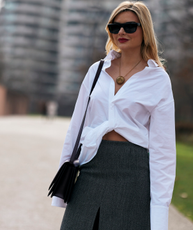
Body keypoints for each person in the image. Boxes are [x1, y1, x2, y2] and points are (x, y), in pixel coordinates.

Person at [52, 1, 176, 230]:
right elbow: (76, 126)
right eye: (114, 26)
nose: (121, 32)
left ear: (144, 29)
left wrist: (159, 215)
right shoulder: (96, 70)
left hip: (133, 175)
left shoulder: (158, 79)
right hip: (91, 168)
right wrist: (61, 190)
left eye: (129, 26)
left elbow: (164, 150)